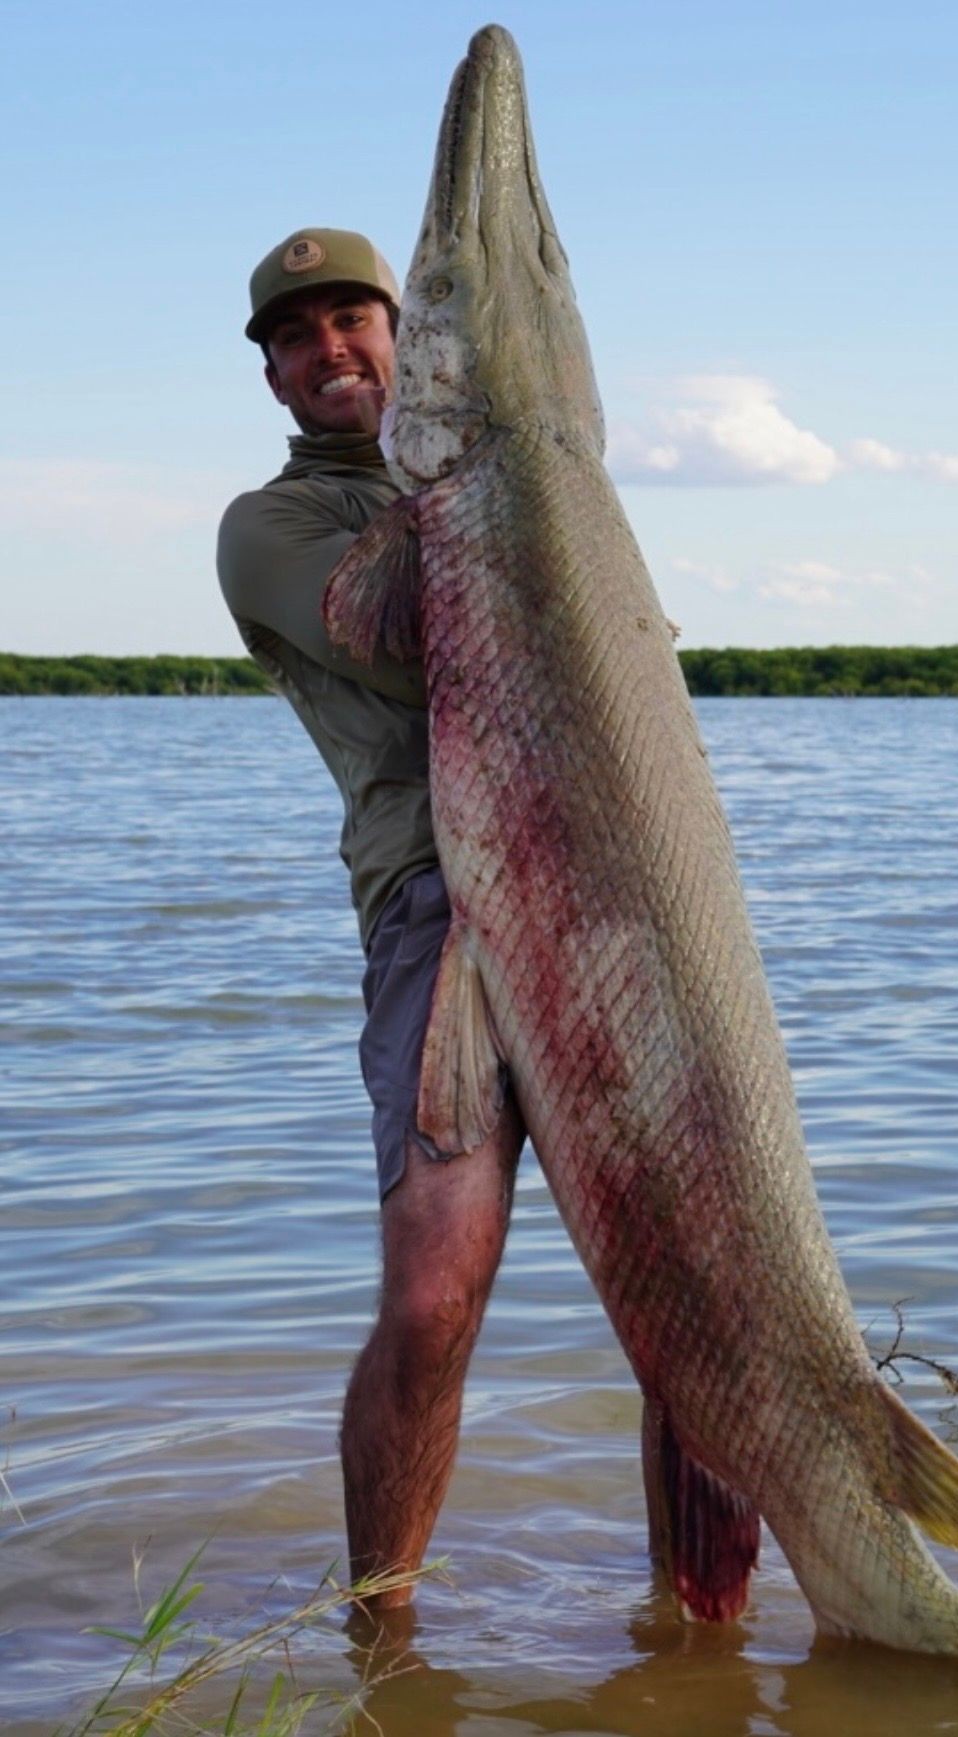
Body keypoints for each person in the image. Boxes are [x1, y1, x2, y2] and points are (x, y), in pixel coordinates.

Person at [217, 228, 525, 1610]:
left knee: (683, 1311)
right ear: (276, 378)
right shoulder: (272, 529)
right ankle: (381, 1638)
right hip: (432, 904)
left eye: (356, 320)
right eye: (300, 336)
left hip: (599, 903)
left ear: (402, 340)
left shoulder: (500, 479)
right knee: (428, 1302)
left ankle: (690, 1639)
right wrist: (483, 479)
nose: (332, 349)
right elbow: (417, 646)